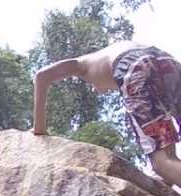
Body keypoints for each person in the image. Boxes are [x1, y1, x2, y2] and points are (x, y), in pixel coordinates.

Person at [33, 41, 181, 187]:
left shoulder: (81, 63)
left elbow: (42, 76)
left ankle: (167, 168)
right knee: (167, 161)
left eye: (91, 85)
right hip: (168, 63)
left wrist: (39, 129)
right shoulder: (112, 52)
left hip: (134, 66)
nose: (96, 90)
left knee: (161, 163)